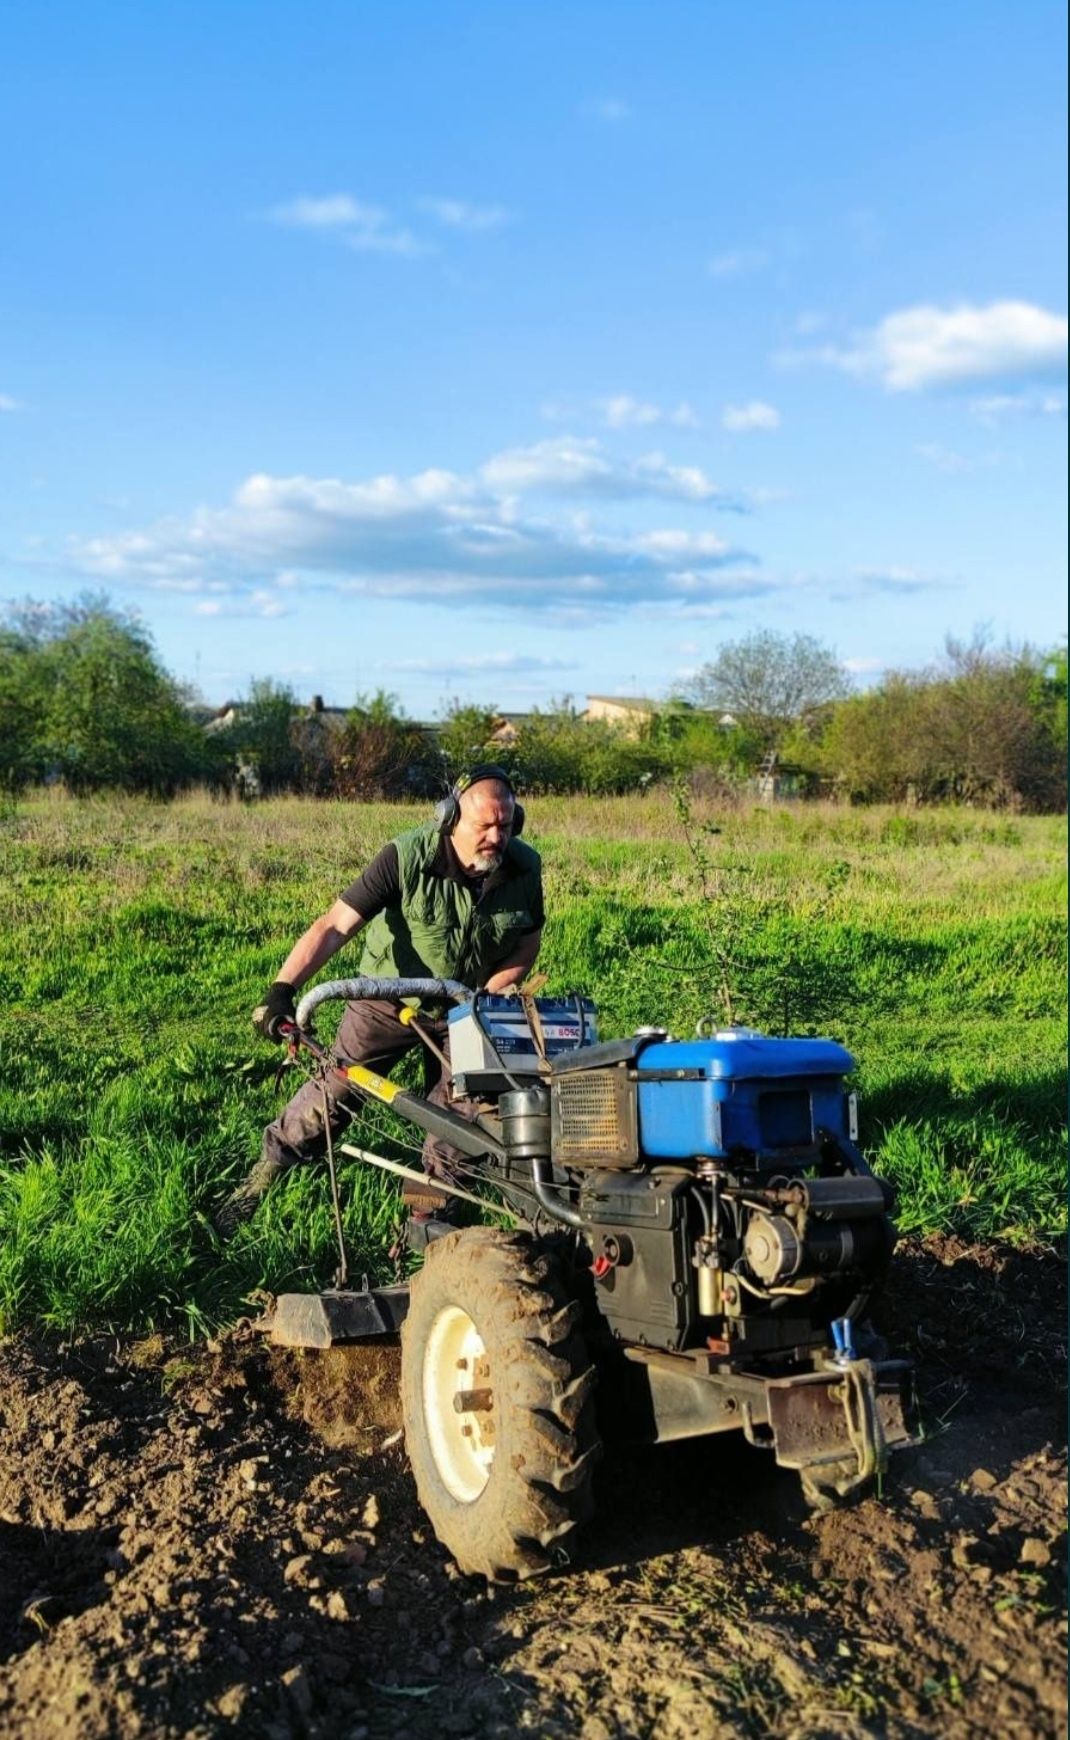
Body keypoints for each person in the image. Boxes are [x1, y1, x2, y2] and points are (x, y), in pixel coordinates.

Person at [217, 766, 543, 1237]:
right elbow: (334, 926)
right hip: (388, 1001)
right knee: (336, 1092)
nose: (497, 836)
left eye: (506, 825)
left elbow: (526, 944)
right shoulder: (405, 857)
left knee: (458, 1115)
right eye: (484, 826)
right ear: (451, 817)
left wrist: (489, 998)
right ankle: (262, 1177)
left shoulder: (524, 867)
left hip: (465, 1006)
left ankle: (427, 1218)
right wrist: (282, 990)